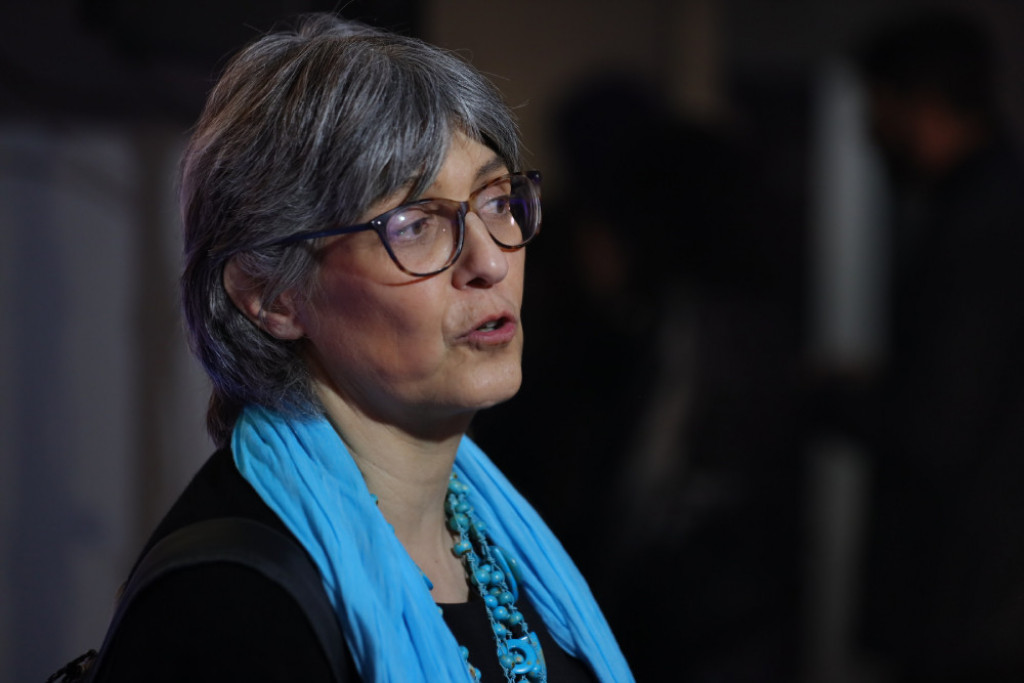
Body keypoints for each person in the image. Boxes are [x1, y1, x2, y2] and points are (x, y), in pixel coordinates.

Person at [86, 13, 631, 682]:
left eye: (495, 200)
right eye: (417, 223)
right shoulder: (228, 606)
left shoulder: (502, 546)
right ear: (272, 295)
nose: (490, 262)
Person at [848, 10, 1024, 682]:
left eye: (878, 108)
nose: (870, 132)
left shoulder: (980, 223)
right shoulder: (984, 207)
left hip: (969, 599)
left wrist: (831, 400)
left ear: (920, 106)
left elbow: (941, 423)